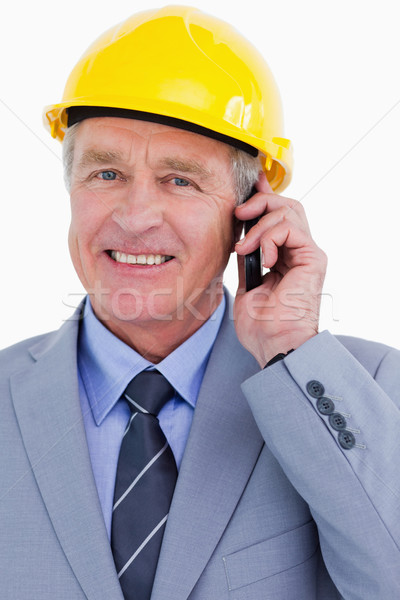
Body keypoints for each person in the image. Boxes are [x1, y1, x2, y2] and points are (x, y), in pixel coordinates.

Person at [1, 5, 399, 599]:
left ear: (252, 213)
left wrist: (291, 349)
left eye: (180, 179)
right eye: (106, 173)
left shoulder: (361, 387)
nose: (135, 218)